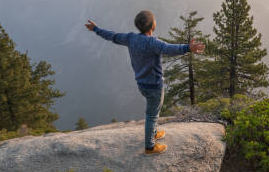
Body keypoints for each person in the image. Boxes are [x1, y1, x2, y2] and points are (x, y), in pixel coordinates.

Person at [85, 10, 204, 154]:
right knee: (152, 114)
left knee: (153, 112)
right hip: (154, 86)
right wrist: (188, 48)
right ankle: (150, 146)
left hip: (141, 84)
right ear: (153, 25)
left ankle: (152, 133)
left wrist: (96, 29)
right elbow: (170, 49)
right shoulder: (153, 43)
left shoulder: (130, 38)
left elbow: (113, 36)